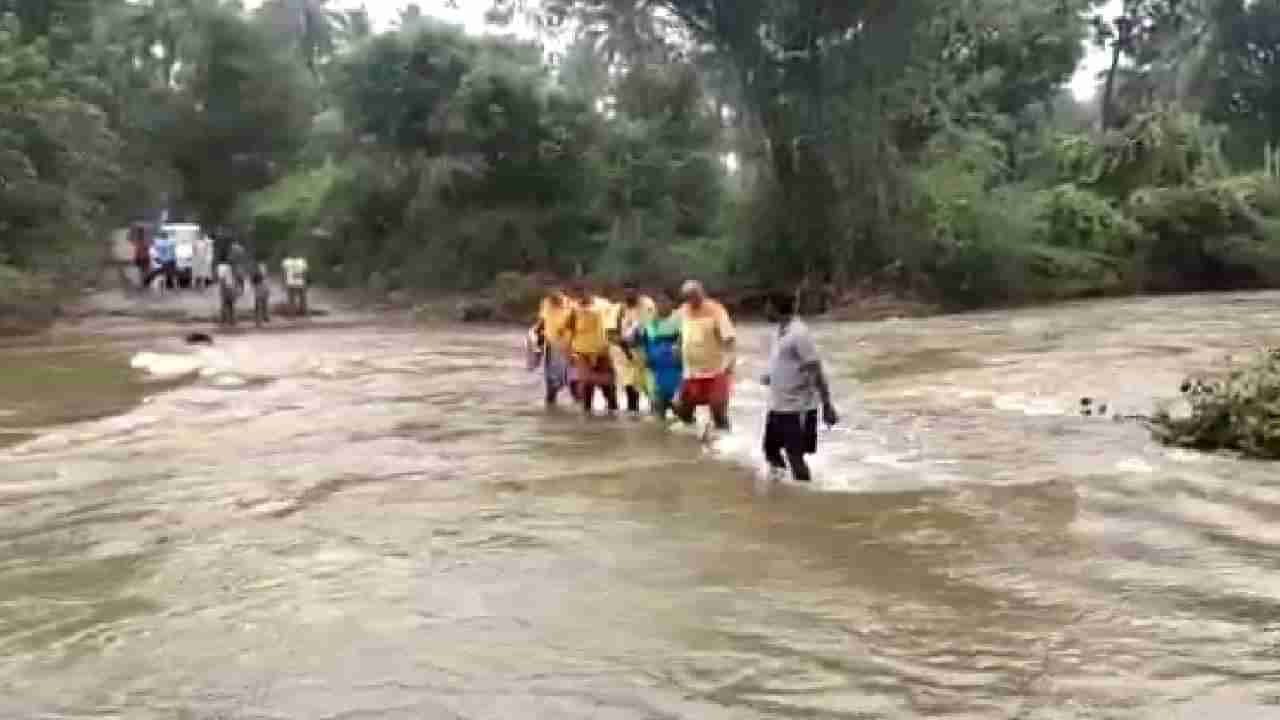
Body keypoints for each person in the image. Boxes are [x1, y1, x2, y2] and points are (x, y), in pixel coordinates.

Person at [760, 295, 839, 483]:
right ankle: (782, 490)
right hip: (778, 405)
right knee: (770, 450)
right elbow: (790, 364)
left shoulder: (799, 334)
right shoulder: (780, 331)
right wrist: (772, 376)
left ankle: (805, 494)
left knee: (795, 456)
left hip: (797, 408)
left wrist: (827, 405)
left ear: (775, 308)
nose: (765, 311)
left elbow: (815, 368)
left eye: (767, 306)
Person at [673, 280, 736, 430]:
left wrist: (729, 362)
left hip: (715, 371)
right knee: (682, 409)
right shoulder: (683, 311)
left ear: (702, 293)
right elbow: (681, 334)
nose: (692, 300)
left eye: (694, 295)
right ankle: (693, 439)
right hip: (690, 372)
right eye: (688, 297)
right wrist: (677, 346)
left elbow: (729, 339)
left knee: (718, 412)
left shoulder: (716, 310)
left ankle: (724, 441)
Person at [627, 291, 682, 420]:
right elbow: (632, 342)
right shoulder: (647, 321)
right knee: (657, 412)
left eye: (665, 301)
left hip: (677, 373)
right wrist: (633, 335)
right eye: (659, 302)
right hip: (654, 372)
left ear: (672, 303)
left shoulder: (680, 319)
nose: (661, 304)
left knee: (682, 414)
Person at [566, 282, 618, 414]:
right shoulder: (573, 308)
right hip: (582, 352)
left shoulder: (604, 305)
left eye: (582, 292)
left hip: (603, 352)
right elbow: (569, 330)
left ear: (588, 290)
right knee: (587, 386)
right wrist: (569, 353)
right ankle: (587, 417)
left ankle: (613, 414)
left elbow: (615, 324)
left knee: (608, 389)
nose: (580, 296)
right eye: (576, 293)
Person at [610, 283, 656, 415]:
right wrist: (624, 346)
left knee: (651, 393)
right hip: (625, 358)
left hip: (644, 353)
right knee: (631, 392)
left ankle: (655, 419)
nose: (630, 294)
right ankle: (634, 421)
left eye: (633, 291)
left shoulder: (647, 304)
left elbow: (650, 327)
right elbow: (613, 333)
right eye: (626, 292)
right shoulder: (619, 310)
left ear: (638, 291)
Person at [531, 284, 574, 406]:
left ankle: (581, 411)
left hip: (567, 347)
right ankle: (551, 409)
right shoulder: (546, 303)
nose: (551, 297)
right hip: (551, 347)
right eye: (548, 294)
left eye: (553, 294)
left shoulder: (571, 305)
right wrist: (536, 335)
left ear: (560, 292)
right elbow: (542, 320)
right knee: (551, 385)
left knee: (571, 383)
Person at [216, 262, 238, 327]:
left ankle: (228, 321)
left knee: (228, 308)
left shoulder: (228, 277)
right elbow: (223, 287)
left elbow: (232, 286)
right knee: (228, 308)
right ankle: (228, 321)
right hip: (228, 294)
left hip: (229, 294)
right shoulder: (230, 277)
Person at [251, 262, 271, 327]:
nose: (263, 269)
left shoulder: (257, 274)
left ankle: (260, 320)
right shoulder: (264, 275)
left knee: (260, 306)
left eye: (263, 268)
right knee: (263, 305)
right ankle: (263, 319)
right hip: (262, 291)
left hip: (260, 292)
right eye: (262, 268)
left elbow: (253, 283)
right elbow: (254, 282)